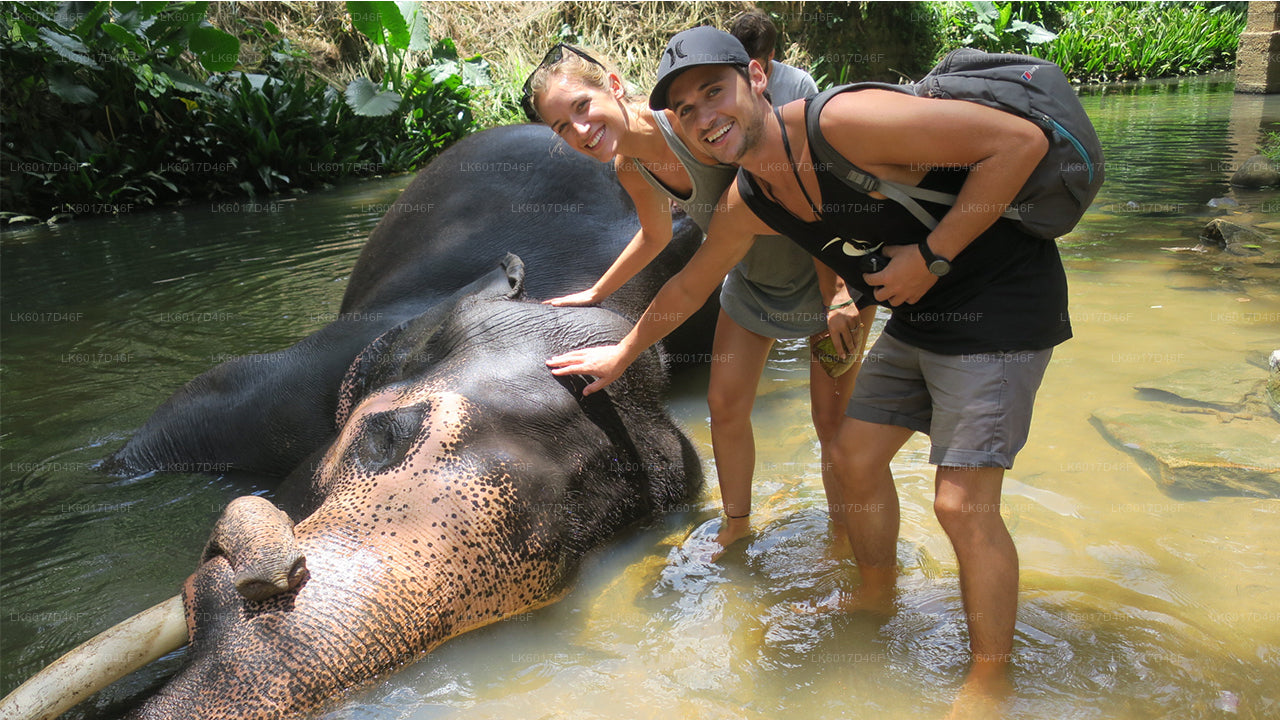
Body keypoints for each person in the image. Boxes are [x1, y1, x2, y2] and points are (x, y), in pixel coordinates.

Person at [546, 26, 1072, 712]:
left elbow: (1020, 143)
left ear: (757, 80)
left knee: (960, 503)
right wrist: (621, 351)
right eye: (687, 109)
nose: (707, 117)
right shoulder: (752, 196)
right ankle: (875, 593)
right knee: (853, 456)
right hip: (921, 306)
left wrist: (931, 257)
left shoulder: (840, 121)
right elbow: (690, 285)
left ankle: (989, 680)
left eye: (716, 91)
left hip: (999, 295)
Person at [522, 37, 872, 554]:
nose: (579, 130)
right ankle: (737, 526)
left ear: (614, 87)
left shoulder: (697, 125)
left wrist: (839, 290)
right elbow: (655, 236)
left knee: (829, 421)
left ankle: (847, 539)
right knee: (724, 406)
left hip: (825, 271)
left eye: (582, 107)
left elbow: (807, 195)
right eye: (560, 127)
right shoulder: (630, 167)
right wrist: (598, 291)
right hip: (753, 282)